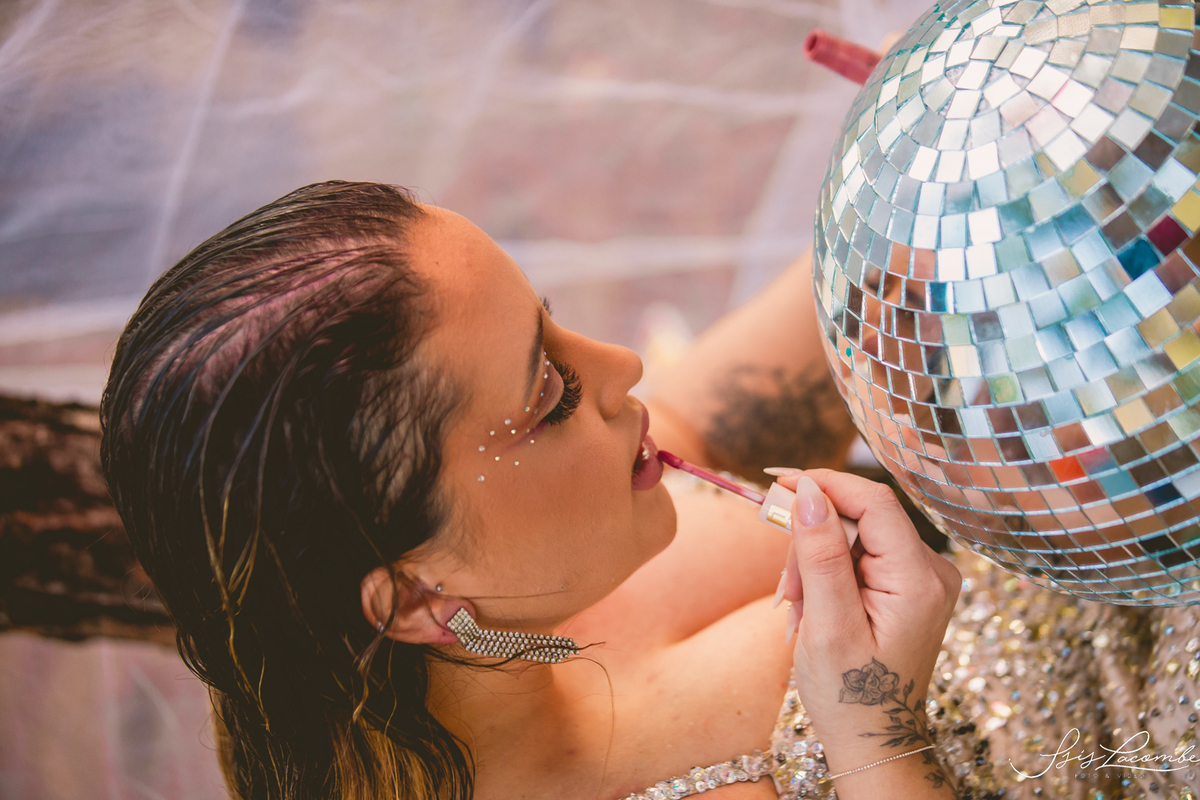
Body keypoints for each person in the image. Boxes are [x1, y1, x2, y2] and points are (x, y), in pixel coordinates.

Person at [99, 181, 1198, 800]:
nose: (622, 364)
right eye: (547, 392)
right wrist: (876, 740)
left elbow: (852, 310)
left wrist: (955, 167)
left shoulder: (573, 529)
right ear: (420, 598)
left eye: (552, 319)